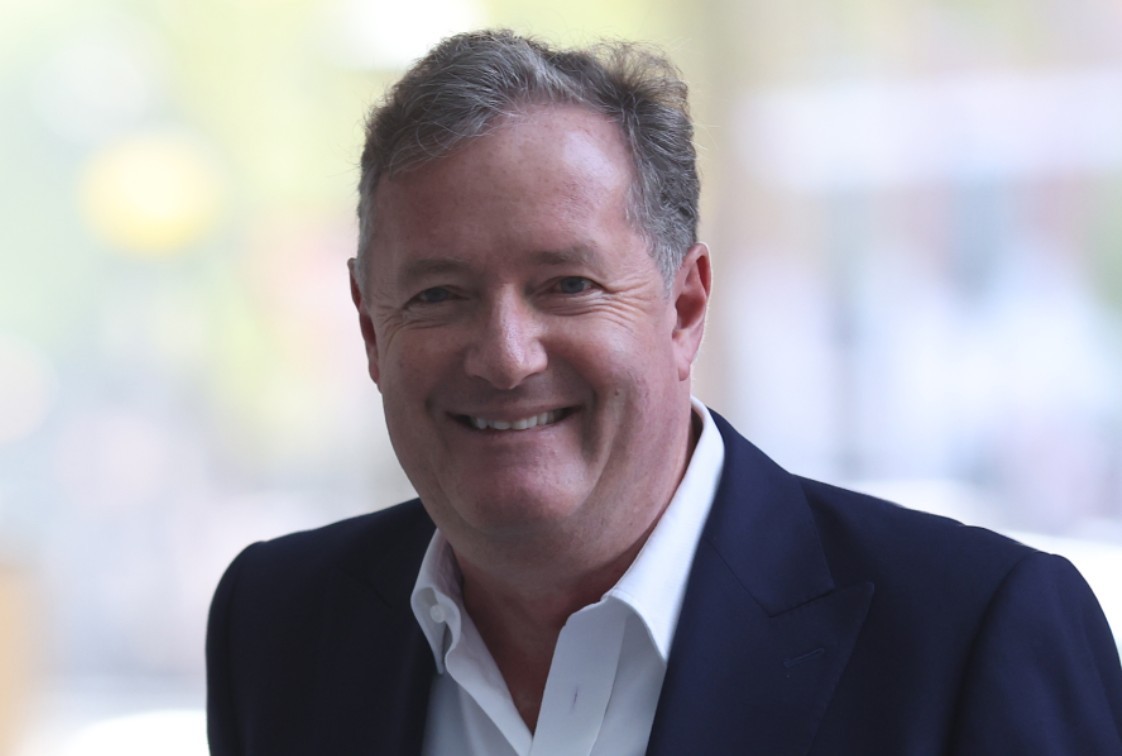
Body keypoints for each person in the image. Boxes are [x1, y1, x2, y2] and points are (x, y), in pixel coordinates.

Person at [206, 29, 1122, 755]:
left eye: (567, 285)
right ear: (372, 329)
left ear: (685, 308)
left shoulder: (971, 636)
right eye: (439, 295)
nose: (506, 356)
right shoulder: (278, 628)